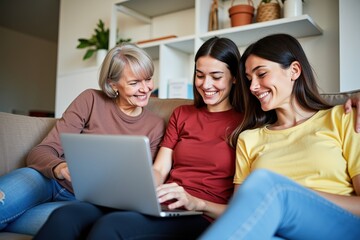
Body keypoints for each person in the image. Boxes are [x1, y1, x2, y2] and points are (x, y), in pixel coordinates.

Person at [34, 36, 245, 239]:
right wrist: (140, 195)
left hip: (200, 214)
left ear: (234, 76)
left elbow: (241, 208)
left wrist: (196, 203)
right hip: (162, 204)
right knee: (65, 216)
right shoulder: (182, 114)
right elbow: (159, 169)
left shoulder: (245, 123)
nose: (206, 84)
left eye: (216, 77)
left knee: (113, 226)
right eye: (200, 75)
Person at [199, 33, 360, 240]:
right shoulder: (249, 139)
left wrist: (290, 194)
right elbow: (240, 212)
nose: (253, 87)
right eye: (249, 79)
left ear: (294, 70)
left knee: (267, 183)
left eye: (261, 74)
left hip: (338, 228)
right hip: (277, 231)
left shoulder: (344, 118)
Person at [0, 43, 165, 235]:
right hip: (47, 180)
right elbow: (41, 151)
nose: (145, 89)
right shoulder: (91, 100)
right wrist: (60, 168)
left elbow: (141, 184)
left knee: (63, 226)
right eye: (134, 82)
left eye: (148, 79)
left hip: (83, 205)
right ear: (113, 84)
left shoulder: (155, 125)